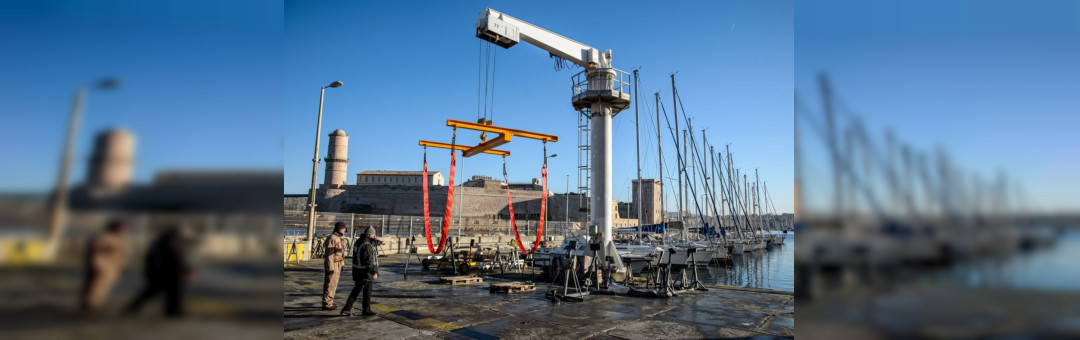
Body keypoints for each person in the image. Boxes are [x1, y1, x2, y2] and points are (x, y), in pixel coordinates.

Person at [124, 225, 196, 317]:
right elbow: (177, 259)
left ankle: (172, 311)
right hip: (168, 273)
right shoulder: (171, 243)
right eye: (184, 233)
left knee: (164, 292)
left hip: (164, 272)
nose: (186, 236)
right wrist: (188, 270)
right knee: (167, 292)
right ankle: (173, 311)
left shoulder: (163, 242)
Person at [80, 219, 129, 313]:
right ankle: (90, 305)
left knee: (103, 287)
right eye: (122, 228)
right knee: (96, 287)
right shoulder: (105, 237)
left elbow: (121, 255)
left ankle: (95, 304)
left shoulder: (119, 238)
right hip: (102, 266)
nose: (125, 231)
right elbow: (96, 249)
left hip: (112, 267)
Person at [340, 226, 379, 316]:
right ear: (369, 235)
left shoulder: (359, 242)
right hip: (366, 273)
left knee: (356, 290)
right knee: (367, 292)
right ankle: (366, 310)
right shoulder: (367, 246)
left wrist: (380, 242)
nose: (374, 236)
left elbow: (373, 242)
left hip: (357, 271)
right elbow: (369, 262)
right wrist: (374, 272)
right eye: (373, 235)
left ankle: (347, 308)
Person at [322, 222, 348, 310]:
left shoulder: (339, 238)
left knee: (334, 284)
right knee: (330, 284)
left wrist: (342, 264)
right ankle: (327, 304)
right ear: (340, 228)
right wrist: (331, 268)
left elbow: (340, 254)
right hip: (333, 265)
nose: (345, 230)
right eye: (343, 228)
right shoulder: (333, 238)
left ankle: (329, 302)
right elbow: (329, 255)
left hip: (338, 265)